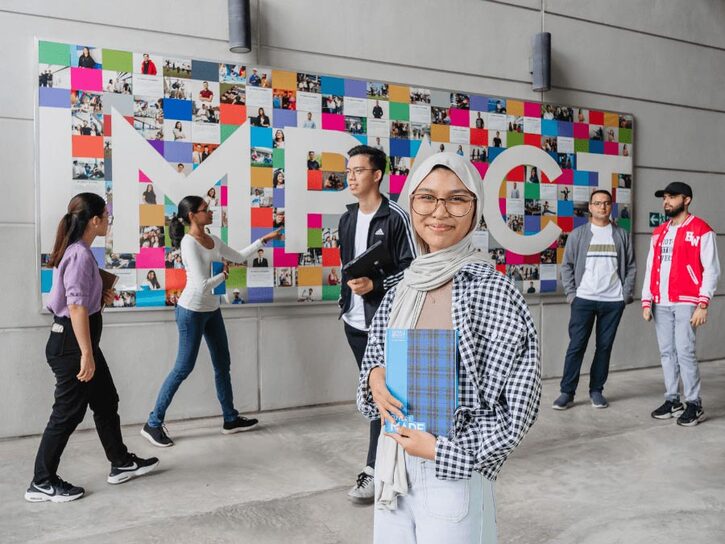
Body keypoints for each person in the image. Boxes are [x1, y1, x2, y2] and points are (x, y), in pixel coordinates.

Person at [356, 152, 540, 541]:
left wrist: (444, 451)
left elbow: (519, 408)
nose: (439, 212)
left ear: (475, 208)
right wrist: (374, 375)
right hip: (394, 464)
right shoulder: (404, 285)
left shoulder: (491, 289)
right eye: (427, 198)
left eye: (457, 198)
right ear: (411, 204)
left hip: (452, 472)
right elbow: (375, 354)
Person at [26, 193, 158, 503]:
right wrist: (86, 352)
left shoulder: (81, 252)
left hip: (79, 344)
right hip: (71, 346)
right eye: (106, 215)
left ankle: (121, 462)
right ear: (94, 220)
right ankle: (41, 481)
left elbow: (83, 303)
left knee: (106, 400)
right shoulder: (80, 254)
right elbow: (74, 308)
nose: (109, 220)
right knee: (67, 414)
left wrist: (101, 300)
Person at [141, 197, 282, 447]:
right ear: (193, 216)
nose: (211, 213)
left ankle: (230, 419)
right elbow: (201, 285)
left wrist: (263, 240)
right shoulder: (189, 244)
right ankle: (153, 423)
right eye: (206, 210)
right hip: (191, 311)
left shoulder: (213, 240)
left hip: (212, 309)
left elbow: (237, 256)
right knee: (183, 368)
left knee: (222, 364)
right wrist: (223, 275)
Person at [338, 145, 416, 504]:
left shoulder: (396, 217)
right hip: (354, 322)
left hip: (385, 324)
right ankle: (391, 459)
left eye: (358, 170)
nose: (351, 177)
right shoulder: (347, 218)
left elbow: (413, 271)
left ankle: (374, 469)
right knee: (377, 396)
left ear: (377, 175)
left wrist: (378, 285)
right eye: (348, 171)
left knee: (380, 394)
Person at [642, 182, 720, 426]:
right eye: (664, 197)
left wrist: (703, 303)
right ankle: (673, 399)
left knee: (684, 351)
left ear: (686, 200)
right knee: (667, 352)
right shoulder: (659, 232)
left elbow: (712, 270)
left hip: (687, 301)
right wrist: (647, 299)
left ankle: (694, 403)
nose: (666, 201)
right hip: (660, 302)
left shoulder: (701, 229)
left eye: (672, 197)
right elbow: (650, 267)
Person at [554, 189, 636, 410]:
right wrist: (572, 295)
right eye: (598, 203)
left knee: (604, 347)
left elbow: (630, 267)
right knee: (576, 345)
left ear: (611, 207)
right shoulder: (578, 234)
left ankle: (596, 391)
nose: (602, 207)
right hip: (584, 299)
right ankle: (567, 392)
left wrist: (625, 295)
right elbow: (567, 266)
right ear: (589, 207)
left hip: (613, 301)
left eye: (607, 203)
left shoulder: (621, 235)